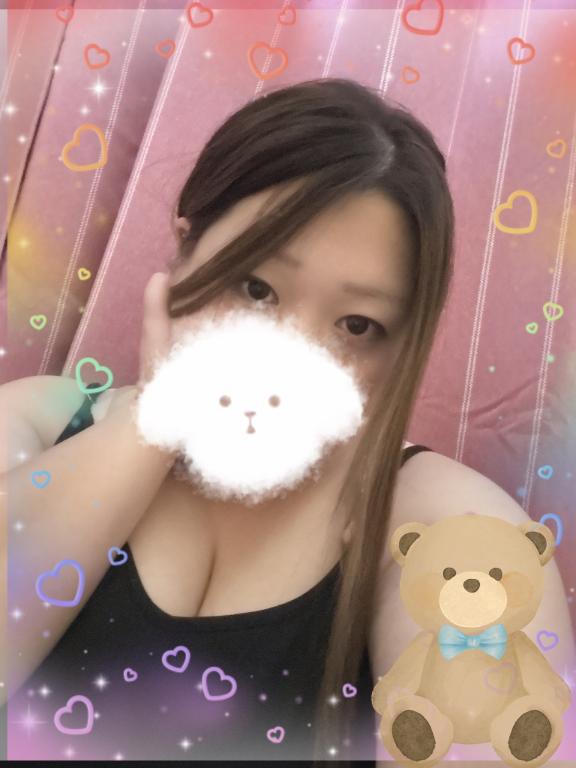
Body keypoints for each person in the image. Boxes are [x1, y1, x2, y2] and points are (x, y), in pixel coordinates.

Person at [1, 78, 573, 766]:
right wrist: (152, 423)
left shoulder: (453, 530)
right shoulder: (35, 423)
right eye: (256, 288)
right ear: (186, 246)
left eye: (356, 325)